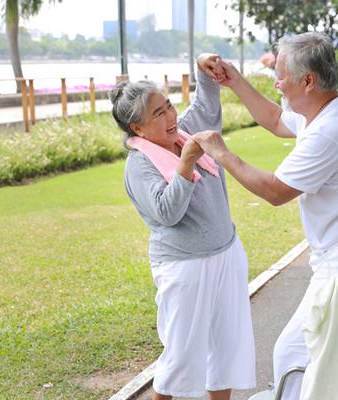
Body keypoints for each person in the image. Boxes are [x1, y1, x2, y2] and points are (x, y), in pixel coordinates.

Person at [193, 32, 338, 400]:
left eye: (281, 75)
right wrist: (233, 79)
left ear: (308, 81)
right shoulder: (327, 107)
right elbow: (275, 120)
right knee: (300, 355)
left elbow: (275, 191)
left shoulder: (329, 132)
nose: (276, 82)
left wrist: (221, 153)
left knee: (292, 355)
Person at [110, 53, 255, 400]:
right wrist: (186, 164)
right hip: (185, 267)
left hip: (227, 253)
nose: (170, 116)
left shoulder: (185, 132)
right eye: (158, 114)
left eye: (169, 105)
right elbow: (166, 212)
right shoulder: (139, 165)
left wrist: (203, 65)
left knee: (227, 348)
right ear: (138, 128)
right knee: (181, 356)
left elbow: (206, 100)